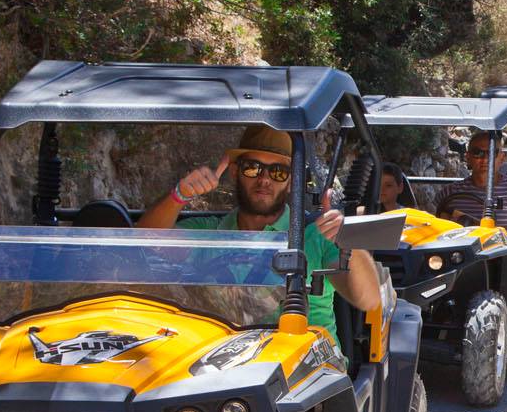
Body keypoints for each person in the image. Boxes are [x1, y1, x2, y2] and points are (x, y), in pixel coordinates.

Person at [139, 125, 382, 335]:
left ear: (290, 182)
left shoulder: (318, 234)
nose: (264, 179)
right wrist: (179, 196)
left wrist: (347, 240)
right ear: (235, 171)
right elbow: (143, 243)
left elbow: (369, 299)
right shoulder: (210, 232)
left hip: (306, 369)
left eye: (278, 172)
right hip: (220, 364)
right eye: (253, 168)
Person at [434, 131, 507, 250]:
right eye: (478, 153)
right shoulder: (450, 193)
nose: (486, 159)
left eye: (492, 153)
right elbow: (433, 231)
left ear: (501, 158)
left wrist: (494, 248)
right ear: (468, 158)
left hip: (504, 261)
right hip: (460, 259)